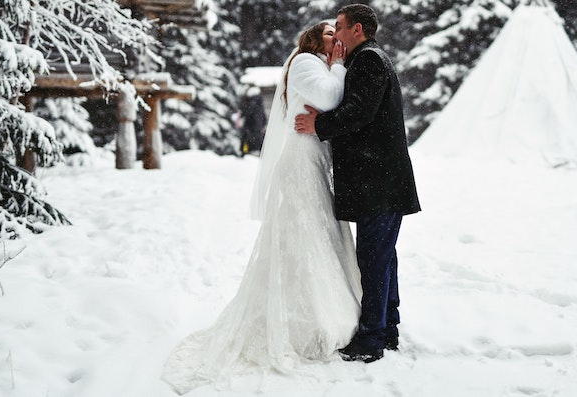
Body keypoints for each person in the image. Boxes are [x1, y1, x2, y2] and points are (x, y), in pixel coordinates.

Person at [162, 22, 360, 395]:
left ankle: (323, 311)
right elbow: (331, 98)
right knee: (306, 235)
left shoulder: (317, 62)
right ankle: (307, 320)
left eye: (339, 34)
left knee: (319, 234)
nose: (338, 39)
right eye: (331, 35)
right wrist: (337, 65)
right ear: (315, 40)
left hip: (312, 159)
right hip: (300, 163)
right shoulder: (305, 62)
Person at [295, 4, 421, 363]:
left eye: (340, 26)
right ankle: (387, 327)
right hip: (383, 181)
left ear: (358, 30)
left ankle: (371, 339)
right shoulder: (370, 58)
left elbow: (359, 112)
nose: (335, 33)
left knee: (374, 258)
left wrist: (318, 125)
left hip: (378, 181)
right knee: (382, 257)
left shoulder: (367, 60)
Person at [238, 85, 267, 155]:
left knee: (247, 142)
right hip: (258, 128)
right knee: (257, 143)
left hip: (250, 128)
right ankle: (255, 152)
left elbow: (245, 113)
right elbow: (263, 116)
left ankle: (245, 152)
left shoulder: (250, 103)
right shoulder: (260, 102)